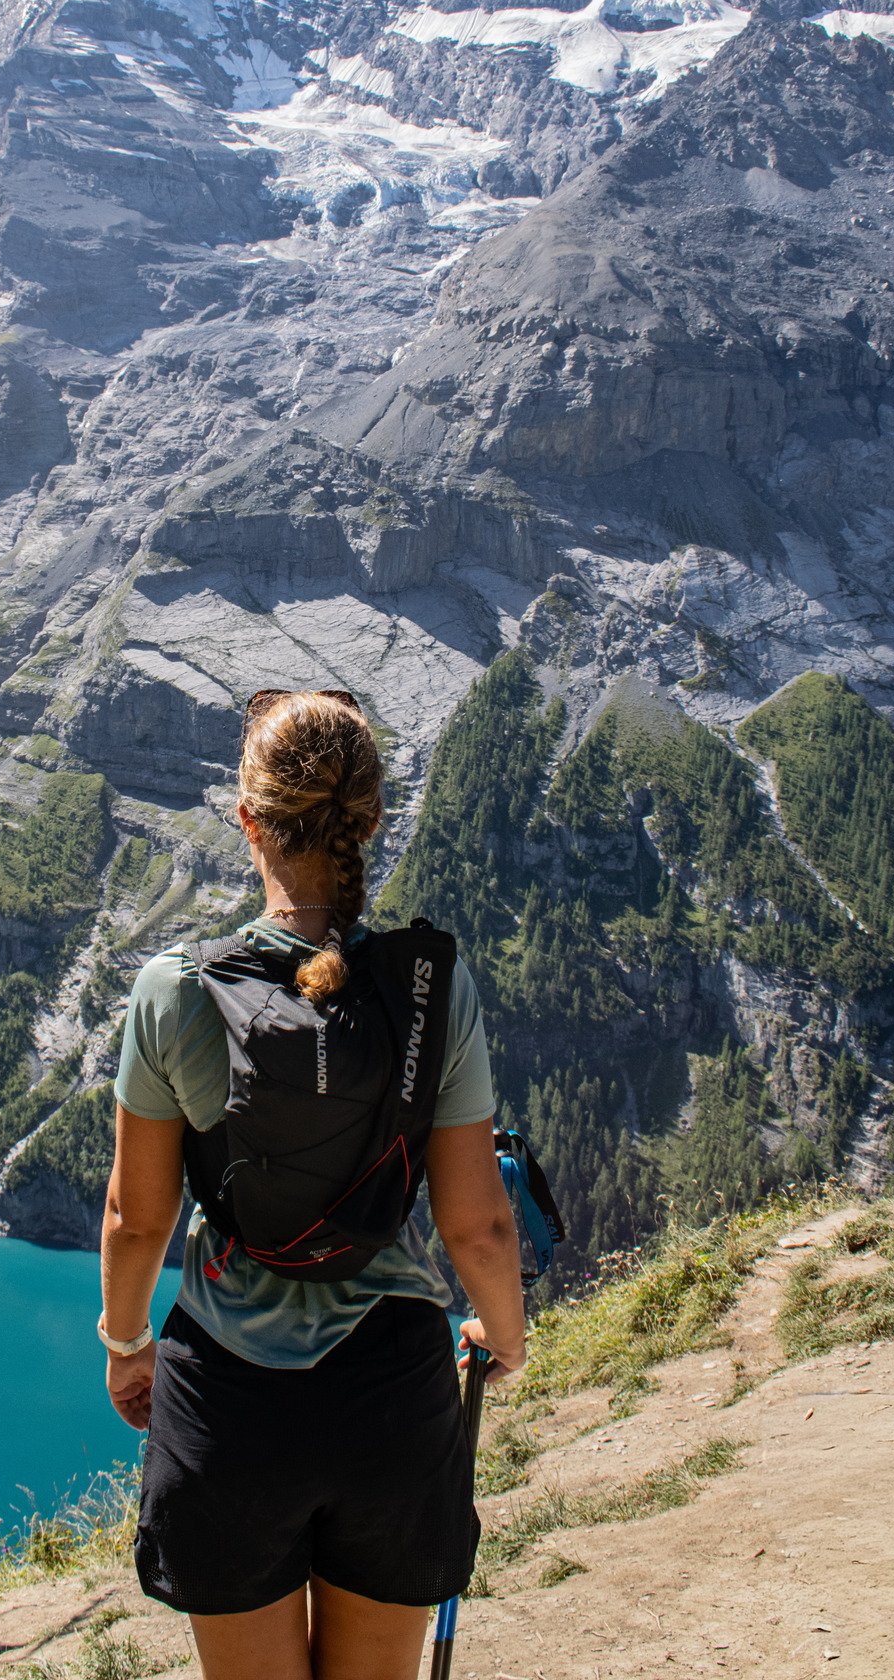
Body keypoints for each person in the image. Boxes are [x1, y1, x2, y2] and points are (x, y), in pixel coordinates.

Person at [99, 688, 526, 1680]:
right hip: (393, 1395)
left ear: (248, 819)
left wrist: (126, 1346)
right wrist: (502, 1337)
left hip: (228, 1404)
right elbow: (476, 1226)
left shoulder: (176, 990)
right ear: (367, 820)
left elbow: (135, 1220)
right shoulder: (432, 988)